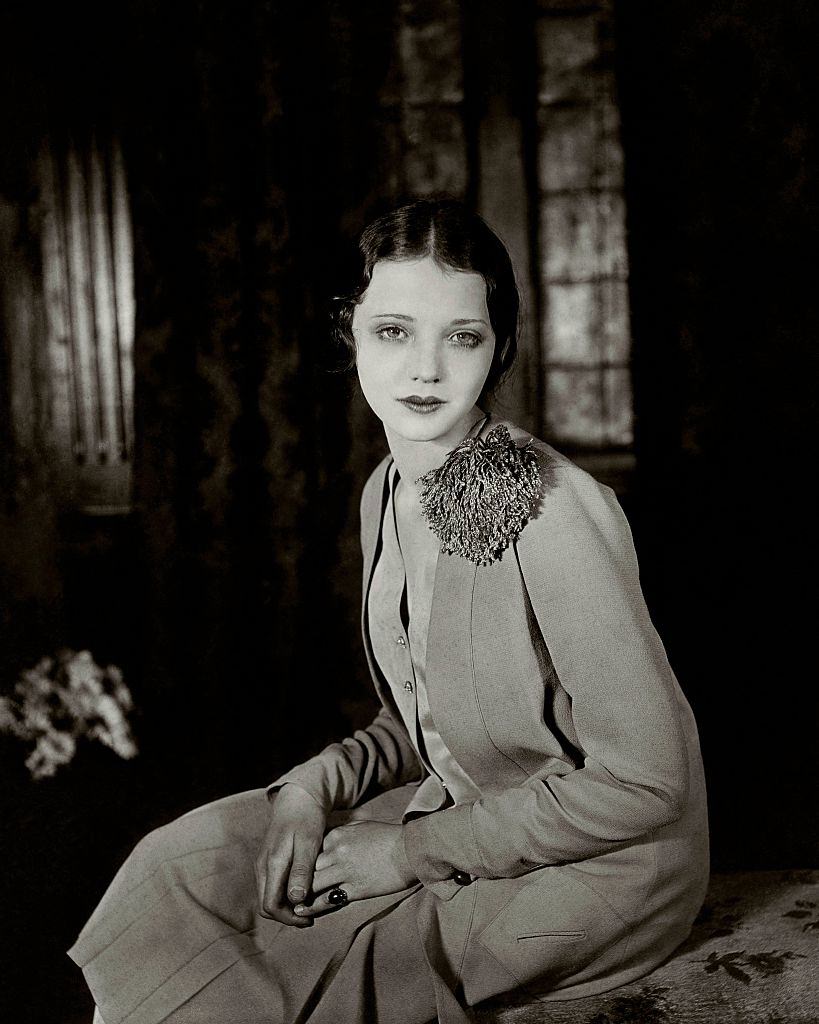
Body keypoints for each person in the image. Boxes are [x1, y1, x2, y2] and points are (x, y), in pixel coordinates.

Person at [69, 198, 709, 1024]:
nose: (425, 371)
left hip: (603, 864)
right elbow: (427, 724)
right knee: (183, 868)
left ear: (498, 349)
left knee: (305, 961)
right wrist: (308, 790)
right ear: (351, 336)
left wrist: (407, 852)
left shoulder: (552, 510)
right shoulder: (386, 493)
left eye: (463, 337)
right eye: (394, 331)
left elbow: (646, 783)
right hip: (476, 812)